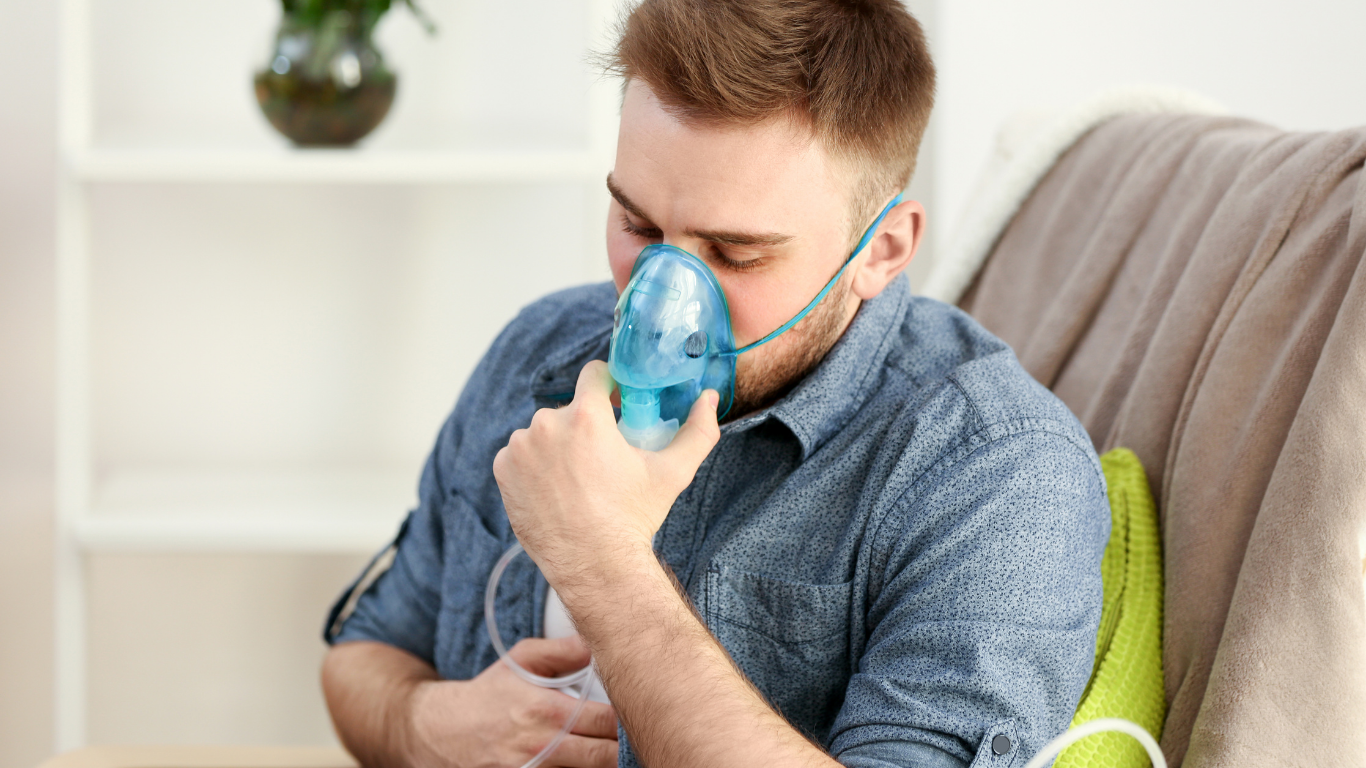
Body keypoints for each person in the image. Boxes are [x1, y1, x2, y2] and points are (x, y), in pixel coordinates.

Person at [320, 1, 1110, 766]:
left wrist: (605, 565)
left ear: (883, 249)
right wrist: (430, 727)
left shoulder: (996, 475)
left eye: (735, 254)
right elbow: (363, 656)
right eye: (637, 226)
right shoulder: (541, 350)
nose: (659, 297)